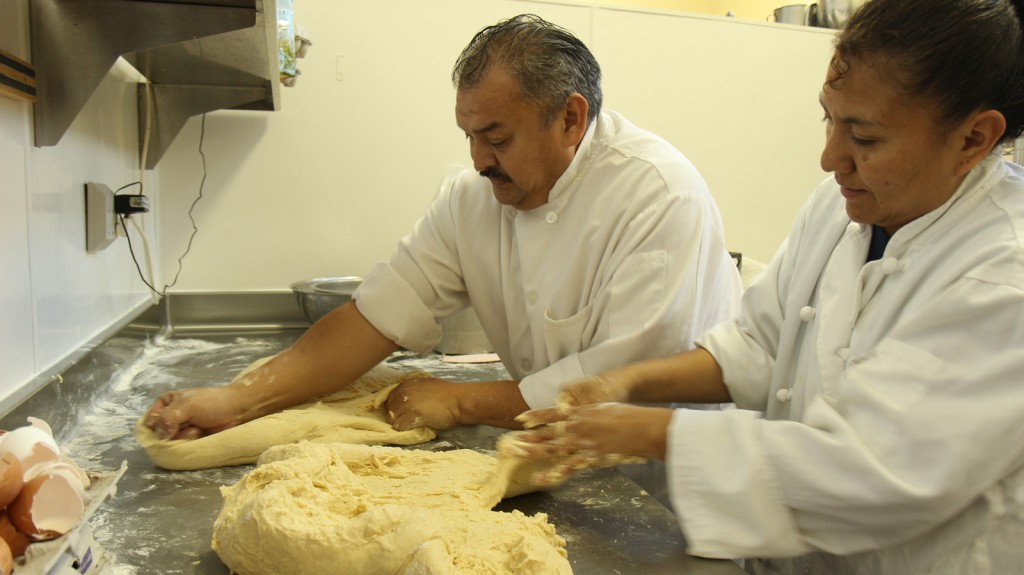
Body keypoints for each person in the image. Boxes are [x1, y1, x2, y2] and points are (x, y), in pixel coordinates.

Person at [509, 0, 1024, 572]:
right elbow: (758, 345)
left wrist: (657, 433)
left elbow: (871, 471)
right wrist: (623, 383)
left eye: (866, 138)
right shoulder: (840, 208)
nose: (830, 159)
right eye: (829, 119)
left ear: (975, 138)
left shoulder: (1003, 275)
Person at [144, 14, 741, 441]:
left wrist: (462, 399)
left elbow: (624, 385)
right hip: (553, 450)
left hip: (659, 488)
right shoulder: (474, 198)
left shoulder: (658, 197)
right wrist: (238, 399)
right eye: (470, 136)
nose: (479, 159)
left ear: (570, 117)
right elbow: (376, 314)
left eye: (497, 137)